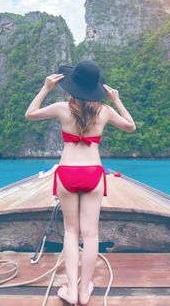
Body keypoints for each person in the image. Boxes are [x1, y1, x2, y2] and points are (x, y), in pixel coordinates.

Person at [25, 60, 136, 305]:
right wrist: (116, 100)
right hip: (93, 173)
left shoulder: (62, 108)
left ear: (72, 86)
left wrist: (45, 88)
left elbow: (30, 114)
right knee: (91, 234)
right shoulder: (104, 111)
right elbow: (131, 126)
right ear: (96, 88)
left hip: (67, 173)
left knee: (71, 232)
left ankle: (71, 292)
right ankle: (85, 291)